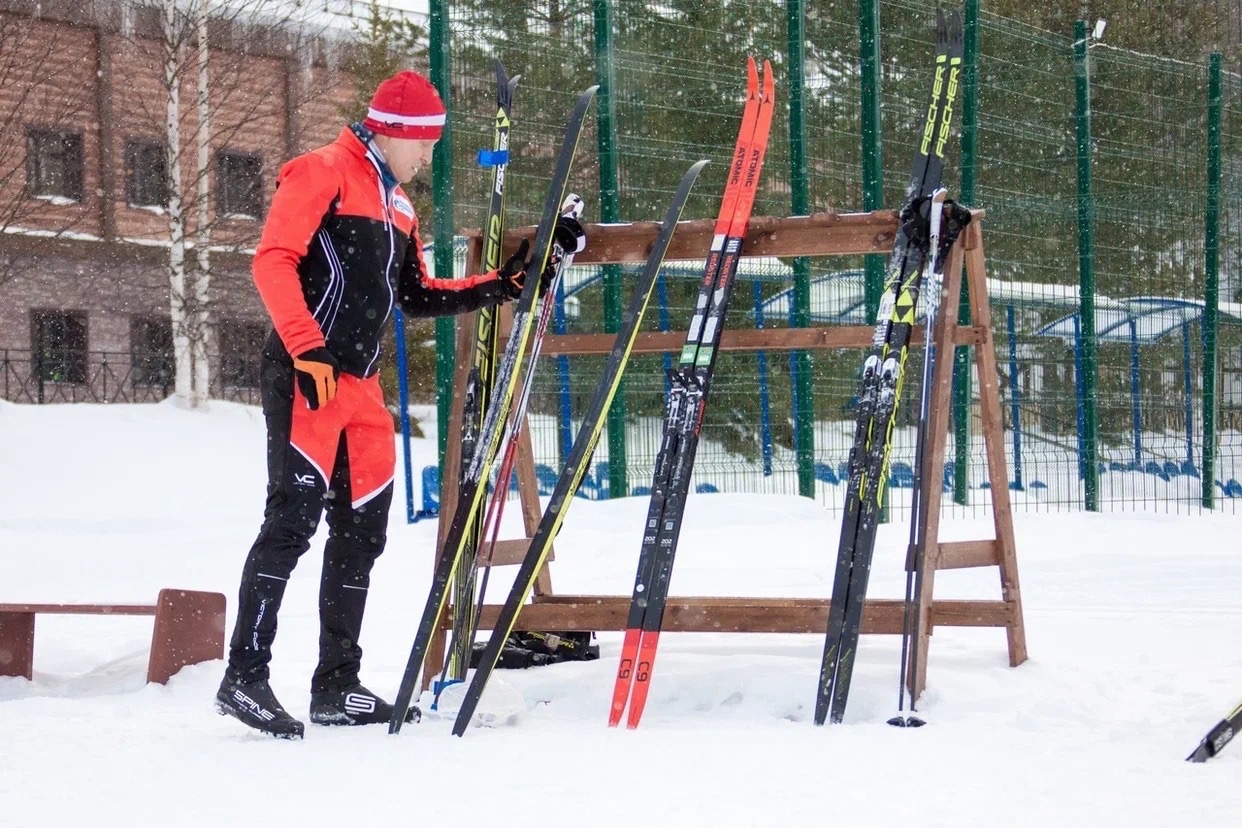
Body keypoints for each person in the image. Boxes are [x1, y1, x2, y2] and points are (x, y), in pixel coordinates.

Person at [214, 69, 585, 739]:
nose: (428, 158)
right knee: (292, 522)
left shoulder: (399, 207)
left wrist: (500, 286)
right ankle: (244, 675)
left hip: (360, 386)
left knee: (363, 532)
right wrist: (307, 347)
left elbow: (415, 295)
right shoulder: (319, 172)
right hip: (308, 375)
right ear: (395, 133)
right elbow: (271, 261)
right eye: (425, 145)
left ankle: (337, 685)